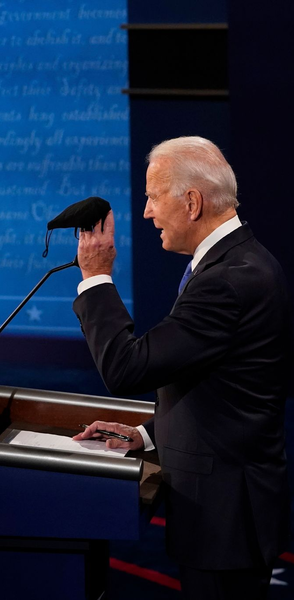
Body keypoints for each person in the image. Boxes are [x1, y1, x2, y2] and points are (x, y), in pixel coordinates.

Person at [71, 136, 292, 599]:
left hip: (225, 519)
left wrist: (94, 278)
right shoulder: (233, 263)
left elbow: (127, 369)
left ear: (192, 202)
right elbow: (217, 386)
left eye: (153, 197)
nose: (147, 212)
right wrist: (148, 434)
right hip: (226, 510)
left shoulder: (228, 281)